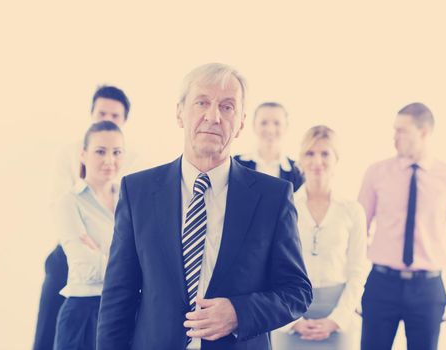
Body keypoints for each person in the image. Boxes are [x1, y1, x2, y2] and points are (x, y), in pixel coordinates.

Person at [96, 63, 312, 350]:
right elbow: (117, 297)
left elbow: (297, 292)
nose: (214, 116)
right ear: (179, 113)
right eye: (202, 103)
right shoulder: (138, 191)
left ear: (241, 123)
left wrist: (240, 312)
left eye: (227, 107)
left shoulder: (273, 196)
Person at [358, 103, 446, 350]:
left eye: (402, 131)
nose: (394, 137)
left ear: (424, 132)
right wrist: (354, 287)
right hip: (381, 284)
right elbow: (358, 231)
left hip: (428, 288)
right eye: (394, 130)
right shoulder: (376, 173)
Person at [33, 85, 137, 350]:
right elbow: (62, 206)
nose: (107, 119)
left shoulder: (130, 175)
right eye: (102, 112)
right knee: (46, 335)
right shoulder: (69, 155)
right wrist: (125, 265)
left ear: (124, 121)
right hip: (68, 265)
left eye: (114, 116)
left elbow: (140, 248)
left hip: (114, 298)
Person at [272, 126, 369, 350]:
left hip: (338, 316)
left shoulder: (352, 210)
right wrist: (293, 321)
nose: (317, 161)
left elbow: (358, 271)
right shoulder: (284, 208)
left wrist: (337, 319)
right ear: (300, 160)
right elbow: (271, 268)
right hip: (290, 314)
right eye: (310, 153)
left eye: (325, 153)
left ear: (336, 159)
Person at [53, 121, 125, 349]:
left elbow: (146, 259)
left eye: (116, 152)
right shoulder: (70, 201)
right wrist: (124, 267)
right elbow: (83, 263)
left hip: (121, 312)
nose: (109, 161)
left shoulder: (129, 200)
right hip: (83, 314)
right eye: (100, 152)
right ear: (83, 155)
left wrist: (102, 256)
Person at [234, 102, 303, 191]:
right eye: (264, 123)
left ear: (286, 126)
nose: (270, 129)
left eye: (277, 123)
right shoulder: (237, 164)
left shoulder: (296, 171)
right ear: (254, 125)